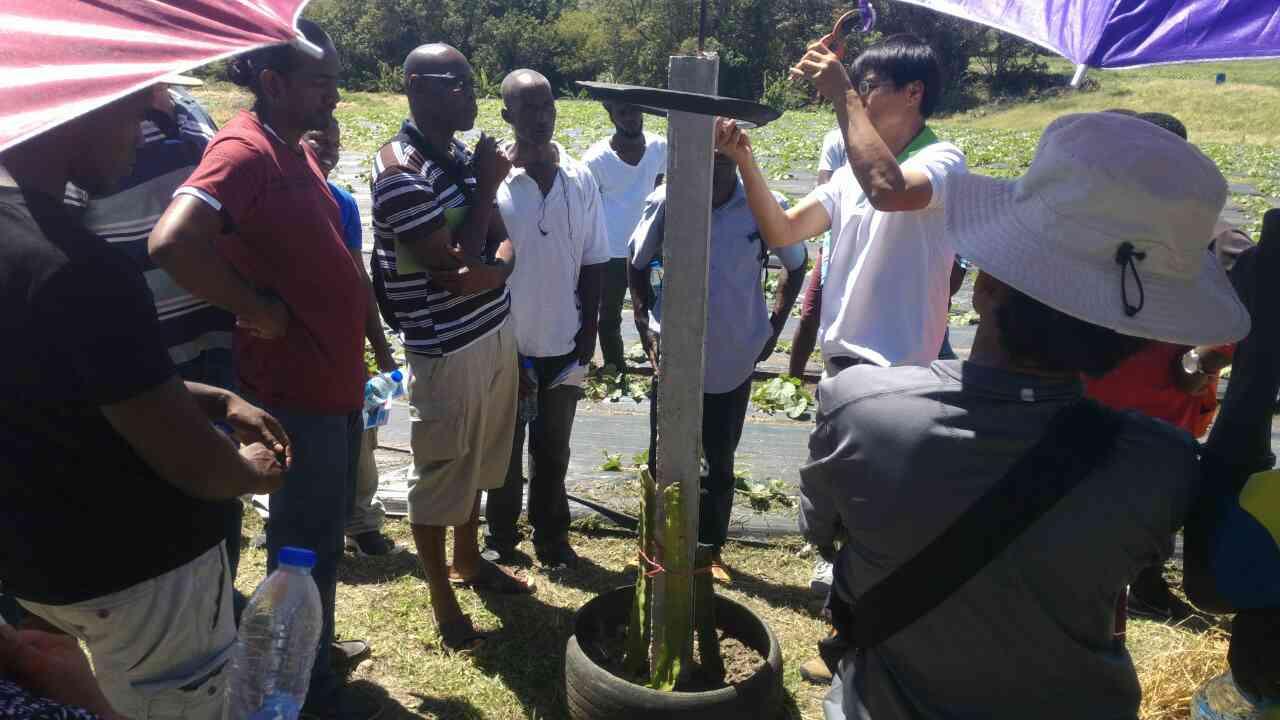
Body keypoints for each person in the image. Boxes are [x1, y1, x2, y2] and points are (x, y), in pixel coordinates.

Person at [801, 112, 1249, 719]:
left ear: (984, 288)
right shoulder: (1163, 465)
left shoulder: (859, 409)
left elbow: (822, 530)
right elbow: (1218, 584)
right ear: (1134, 335)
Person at [0, 84, 288, 720]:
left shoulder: (19, 241)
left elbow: (68, 379)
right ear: (80, 111)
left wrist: (214, 397)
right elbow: (198, 468)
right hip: (142, 584)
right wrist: (252, 473)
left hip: (37, 568)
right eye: (133, 111)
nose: (141, 132)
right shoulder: (81, 267)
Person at [148, 21, 375, 717]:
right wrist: (255, 307)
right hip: (296, 392)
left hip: (332, 385)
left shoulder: (290, 149)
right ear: (272, 84)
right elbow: (173, 241)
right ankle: (303, 695)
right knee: (302, 554)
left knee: (319, 545)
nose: (333, 98)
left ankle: (308, 668)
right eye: (320, 83)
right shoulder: (243, 151)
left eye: (337, 82)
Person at [368, 43, 531, 654]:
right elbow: (450, 258)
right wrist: (488, 190)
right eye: (457, 83)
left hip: (491, 330)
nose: (472, 92)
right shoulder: (399, 174)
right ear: (416, 86)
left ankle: (470, 559)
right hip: (445, 350)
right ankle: (441, 596)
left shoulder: (461, 155)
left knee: (483, 459)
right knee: (440, 472)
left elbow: (499, 246)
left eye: (472, 80)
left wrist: (492, 274)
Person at [73, 76, 251, 598]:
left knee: (222, 486)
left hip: (212, 332)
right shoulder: (92, 114)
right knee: (160, 488)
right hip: (143, 346)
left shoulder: (192, 108)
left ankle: (222, 603)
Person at [719, 33, 967, 375]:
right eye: (858, 88)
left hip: (899, 374)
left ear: (913, 92)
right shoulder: (851, 174)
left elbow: (890, 192)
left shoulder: (942, 160)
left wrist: (842, 92)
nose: (860, 97)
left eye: (867, 87)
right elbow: (782, 232)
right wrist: (744, 159)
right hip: (839, 370)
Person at [629, 148, 806, 580]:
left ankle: (708, 551)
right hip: (675, 354)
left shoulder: (761, 205)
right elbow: (636, 264)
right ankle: (656, 547)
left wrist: (772, 328)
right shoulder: (671, 200)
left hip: (734, 352)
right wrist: (644, 325)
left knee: (719, 460)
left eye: (725, 161)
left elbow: (796, 265)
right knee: (663, 455)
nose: (717, 171)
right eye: (708, 160)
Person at [484, 70, 609, 570]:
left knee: (553, 451)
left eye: (547, 108)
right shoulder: (494, 182)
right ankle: (500, 537)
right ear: (507, 116)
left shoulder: (580, 178)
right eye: (528, 109)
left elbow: (596, 258)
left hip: (563, 337)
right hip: (506, 341)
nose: (540, 119)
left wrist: (590, 327)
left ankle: (551, 536)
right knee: (505, 451)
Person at [302, 118, 401, 558]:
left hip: (341, 344)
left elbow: (358, 277)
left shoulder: (342, 204)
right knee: (296, 439)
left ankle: (361, 521)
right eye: (318, 138)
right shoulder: (272, 199)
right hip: (290, 344)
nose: (329, 149)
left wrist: (379, 347)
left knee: (361, 436)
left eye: (335, 143)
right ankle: (294, 520)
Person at [581, 101, 667, 373]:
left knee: (655, 310)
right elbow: (586, 206)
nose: (630, 117)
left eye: (634, 110)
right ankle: (615, 367)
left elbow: (663, 188)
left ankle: (659, 361)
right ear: (611, 115)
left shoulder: (660, 148)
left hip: (650, 249)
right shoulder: (595, 159)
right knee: (608, 315)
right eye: (623, 112)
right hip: (612, 251)